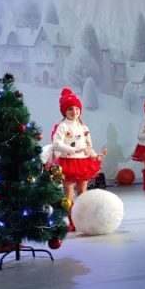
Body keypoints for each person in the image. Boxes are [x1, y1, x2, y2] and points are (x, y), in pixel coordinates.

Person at [51, 88, 107, 231]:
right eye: (70, 109)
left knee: (83, 193)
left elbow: (88, 146)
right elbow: (56, 144)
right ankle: (72, 221)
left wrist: (96, 155)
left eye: (76, 108)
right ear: (64, 111)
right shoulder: (62, 126)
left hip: (83, 162)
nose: (74, 111)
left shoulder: (83, 127)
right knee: (69, 194)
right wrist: (73, 150)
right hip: (68, 163)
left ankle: (82, 218)